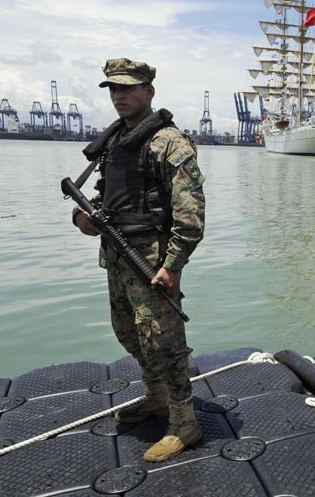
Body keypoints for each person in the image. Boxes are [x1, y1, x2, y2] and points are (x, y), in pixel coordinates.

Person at [72, 58, 205, 463]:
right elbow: (104, 197)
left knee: (164, 342)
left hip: (151, 261)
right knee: (128, 333)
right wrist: (83, 219)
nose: (119, 96)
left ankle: (185, 422)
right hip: (116, 256)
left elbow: (191, 216)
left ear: (148, 91)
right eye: (113, 89)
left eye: (128, 88)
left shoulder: (170, 143)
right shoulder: (114, 141)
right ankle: (156, 399)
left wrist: (173, 265)